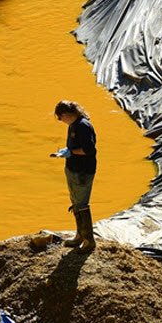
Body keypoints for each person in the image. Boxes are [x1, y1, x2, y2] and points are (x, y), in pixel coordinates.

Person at [51, 100, 97, 253]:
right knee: (75, 202)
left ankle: (89, 241)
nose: (60, 121)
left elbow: (89, 150)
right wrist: (66, 151)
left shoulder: (83, 126)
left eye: (60, 117)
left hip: (83, 170)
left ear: (66, 114)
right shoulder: (73, 125)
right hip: (73, 168)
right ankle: (79, 236)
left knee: (82, 204)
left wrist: (71, 152)